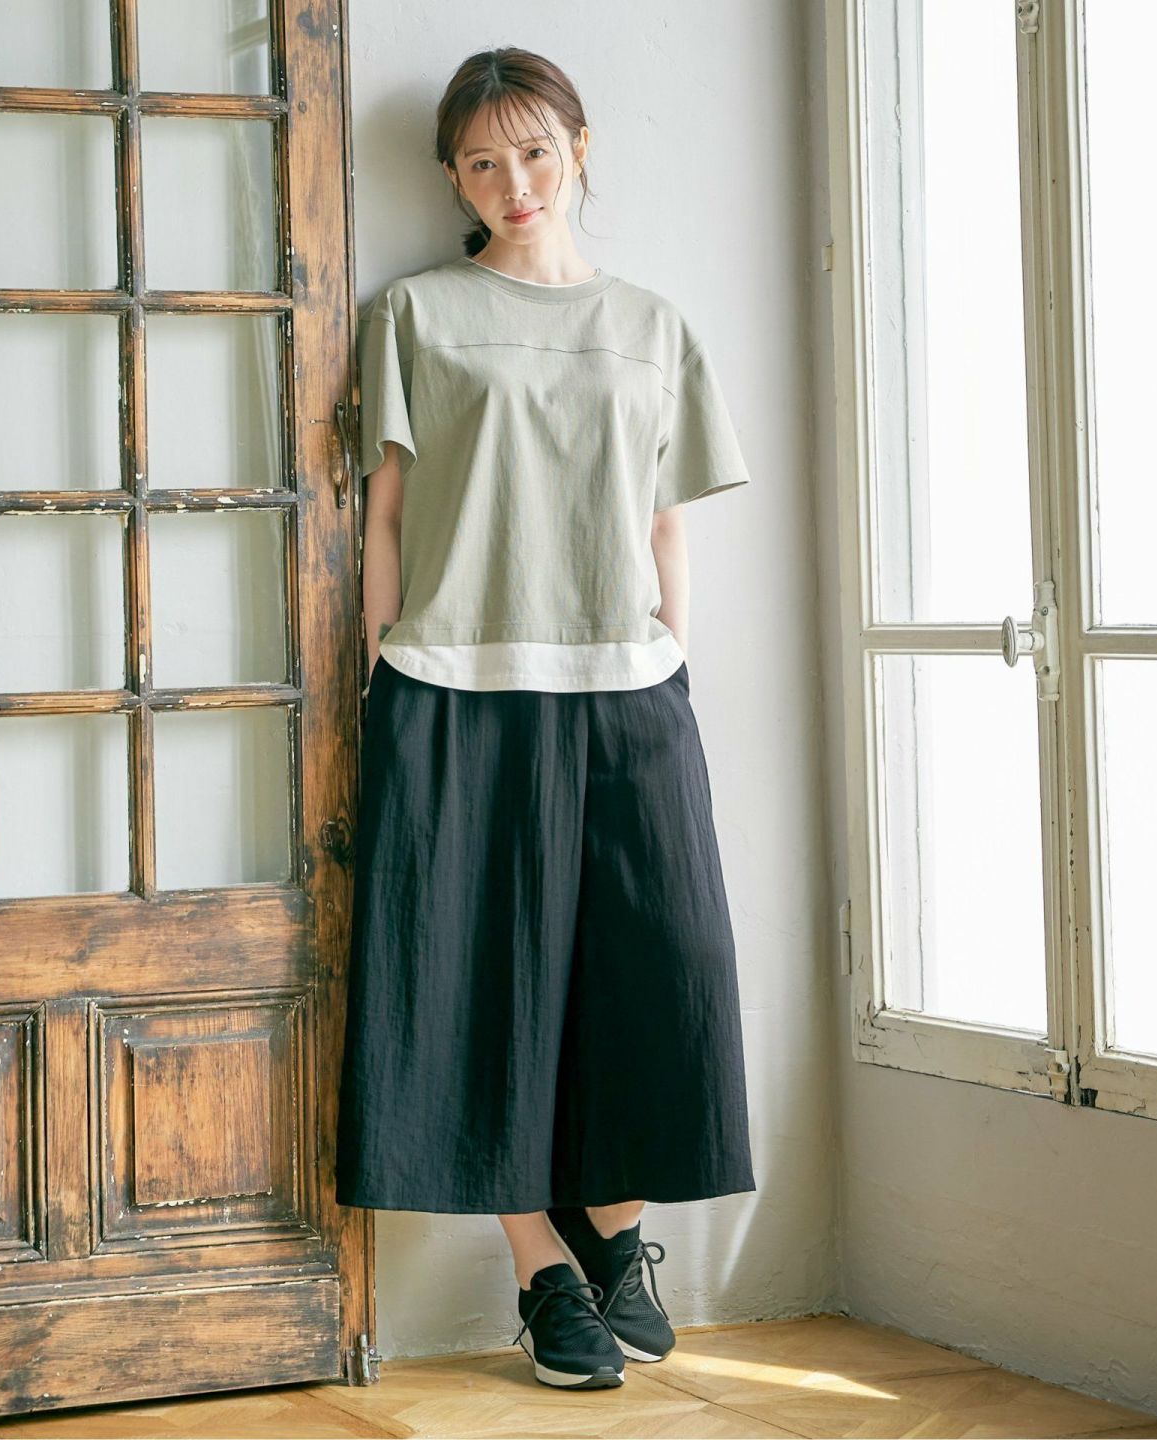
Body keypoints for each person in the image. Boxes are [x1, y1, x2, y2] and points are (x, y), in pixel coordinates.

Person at [335, 45, 757, 1392]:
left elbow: (665, 523)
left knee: (662, 971)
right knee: (477, 984)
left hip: (630, 689)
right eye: (481, 161)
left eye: (533, 151)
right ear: (453, 179)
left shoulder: (653, 325)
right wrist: (381, 668)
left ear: (580, 151)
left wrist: (674, 666)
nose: (512, 180)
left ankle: (616, 1232)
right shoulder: (418, 314)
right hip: (455, 686)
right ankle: (541, 1270)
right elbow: (384, 512)